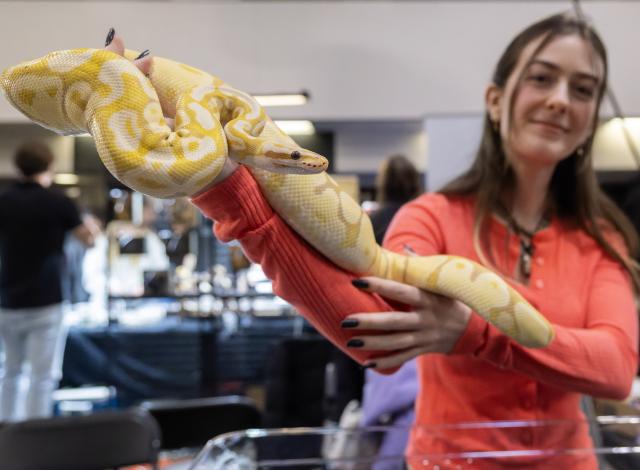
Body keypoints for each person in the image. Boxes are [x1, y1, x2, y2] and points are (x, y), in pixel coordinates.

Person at [110, 14, 638, 467]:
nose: (560, 101)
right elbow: (367, 333)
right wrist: (226, 186)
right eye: (542, 79)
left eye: (584, 89)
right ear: (496, 100)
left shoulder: (600, 237)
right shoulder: (432, 218)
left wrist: (471, 333)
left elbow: (615, 369)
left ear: (592, 119)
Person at [0, 142, 96, 421]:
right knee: (42, 375)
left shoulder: (3, 200)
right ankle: (34, 435)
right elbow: (87, 240)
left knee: (10, 370)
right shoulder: (59, 202)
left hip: (7, 298)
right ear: (49, 167)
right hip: (47, 299)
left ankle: (6, 434)